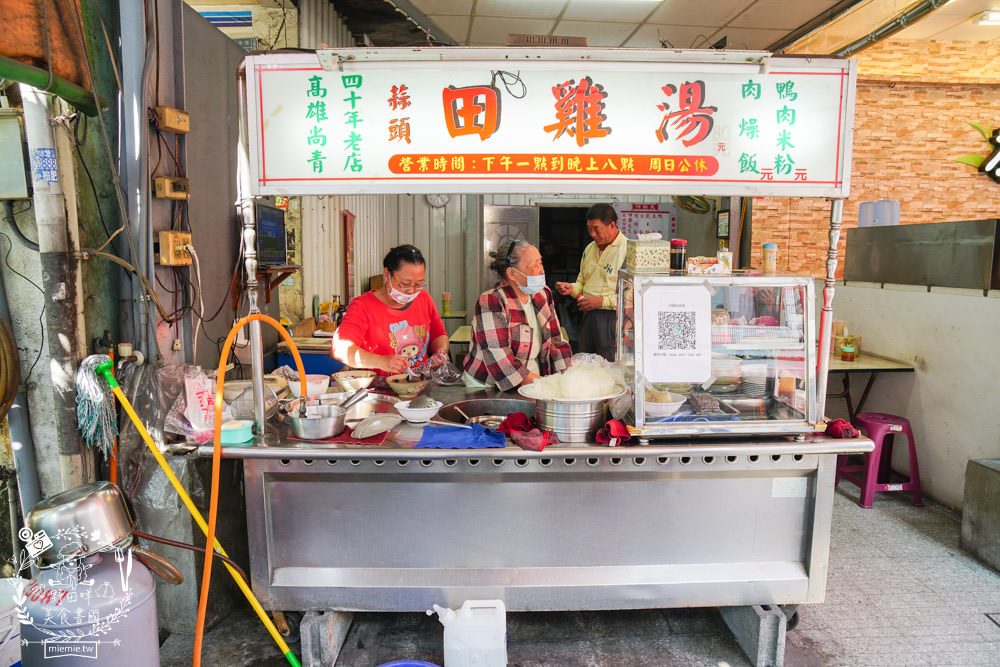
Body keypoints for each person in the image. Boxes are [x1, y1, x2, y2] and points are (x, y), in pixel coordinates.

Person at [463, 240, 572, 391]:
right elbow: (501, 362)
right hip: (489, 388)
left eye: (541, 262)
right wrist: (548, 386)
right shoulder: (491, 301)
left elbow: (556, 342)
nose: (541, 270)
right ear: (513, 274)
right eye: (535, 265)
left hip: (532, 383)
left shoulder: (543, 294)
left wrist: (567, 378)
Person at [332, 244, 449, 375]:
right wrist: (382, 362)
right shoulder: (363, 306)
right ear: (387, 275)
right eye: (405, 284)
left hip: (420, 386)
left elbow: (438, 335)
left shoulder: (423, 298)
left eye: (418, 284)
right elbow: (341, 349)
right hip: (380, 391)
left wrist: (440, 352)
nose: (411, 291)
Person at [555, 203, 627, 362]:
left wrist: (601, 301)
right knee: (585, 362)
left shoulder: (627, 250)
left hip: (612, 319)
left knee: (609, 365)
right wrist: (571, 288)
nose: (592, 234)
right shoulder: (589, 249)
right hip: (588, 316)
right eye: (589, 228)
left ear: (612, 225)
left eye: (596, 228)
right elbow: (582, 283)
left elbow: (631, 296)